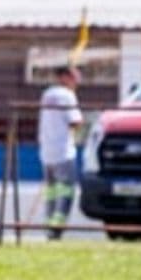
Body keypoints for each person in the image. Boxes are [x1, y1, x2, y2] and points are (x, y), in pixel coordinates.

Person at [38, 65, 83, 240]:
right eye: (75, 77)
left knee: (51, 191)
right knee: (65, 191)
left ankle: (49, 223)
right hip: (63, 152)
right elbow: (75, 121)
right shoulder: (67, 96)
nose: (77, 82)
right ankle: (57, 227)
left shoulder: (47, 94)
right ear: (65, 77)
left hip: (47, 152)